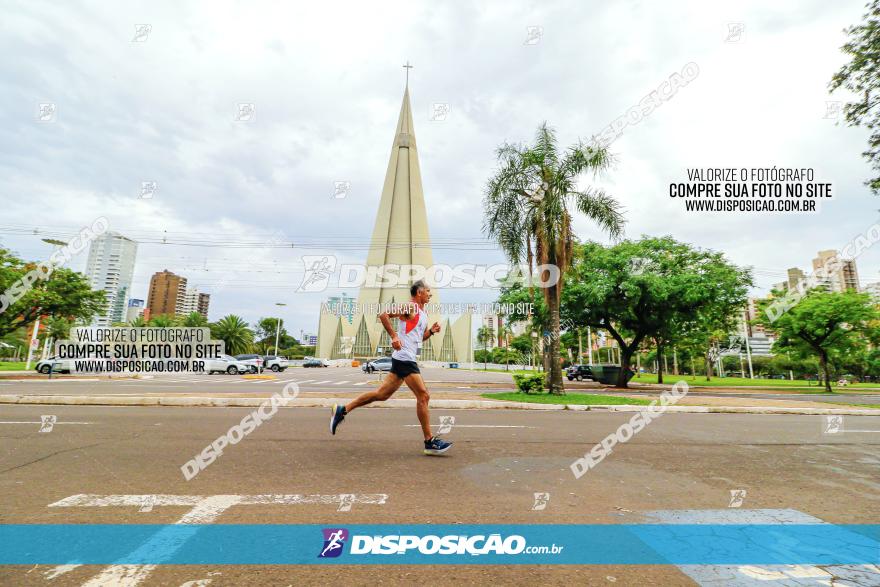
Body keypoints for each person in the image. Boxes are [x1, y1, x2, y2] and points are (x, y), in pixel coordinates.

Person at [329, 280, 453, 455]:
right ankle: (429, 442)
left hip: (405, 358)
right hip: (404, 358)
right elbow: (383, 315)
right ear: (419, 292)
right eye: (428, 291)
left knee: (381, 395)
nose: (430, 294)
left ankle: (343, 410)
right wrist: (394, 336)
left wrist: (431, 332)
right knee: (423, 396)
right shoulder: (410, 307)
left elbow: (418, 339)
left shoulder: (423, 314)